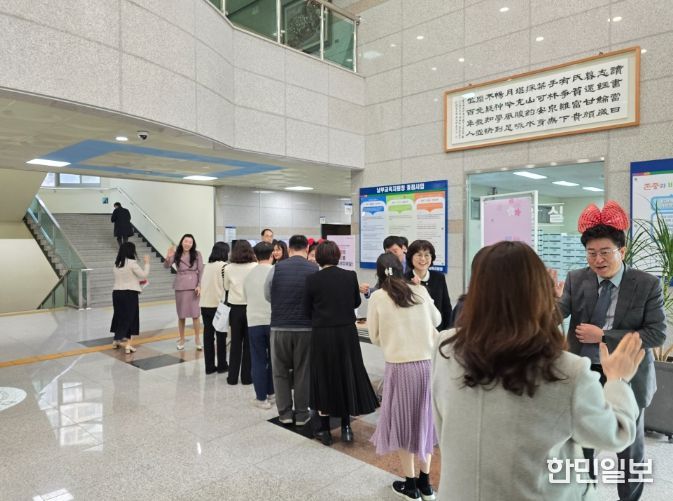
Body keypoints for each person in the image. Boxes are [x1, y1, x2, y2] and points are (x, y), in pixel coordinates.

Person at [433, 241, 644, 501]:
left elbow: (444, 423)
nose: (597, 259)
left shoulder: (446, 348)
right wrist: (617, 380)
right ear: (537, 291)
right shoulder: (567, 370)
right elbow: (615, 435)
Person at [551, 201, 666, 501]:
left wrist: (603, 335)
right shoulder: (577, 278)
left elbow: (657, 333)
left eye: (605, 252)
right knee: (582, 444)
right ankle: (584, 495)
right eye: (591, 253)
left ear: (622, 251)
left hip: (628, 375)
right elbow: (553, 317)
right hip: (585, 373)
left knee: (629, 448)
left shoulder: (646, 284)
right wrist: (547, 299)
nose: (598, 260)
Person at [368, 252, 441, 500]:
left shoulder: (377, 297)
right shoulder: (419, 291)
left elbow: (374, 336)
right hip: (426, 366)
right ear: (402, 269)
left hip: (399, 368)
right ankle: (426, 484)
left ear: (379, 273)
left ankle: (410, 486)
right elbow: (437, 320)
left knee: (402, 426)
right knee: (425, 423)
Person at [304, 241, 378, 445]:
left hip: (322, 335)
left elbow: (306, 309)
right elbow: (356, 302)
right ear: (337, 256)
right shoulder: (349, 276)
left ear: (319, 258)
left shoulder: (312, 279)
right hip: (346, 334)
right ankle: (346, 428)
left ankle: (325, 430)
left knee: (324, 378)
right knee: (346, 375)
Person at [264, 234, 318, 426]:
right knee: (303, 371)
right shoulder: (314, 269)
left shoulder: (276, 268)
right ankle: (302, 414)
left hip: (279, 327)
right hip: (306, 328)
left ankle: (285, 414)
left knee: (279, 371)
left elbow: (267, 294)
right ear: (306, 249)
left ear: (289, 248)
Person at [244, 242, 275, 408]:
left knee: (258, 359)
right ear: (272, 255)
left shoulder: (249, 275)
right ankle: (272, 394)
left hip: (254, 321)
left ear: (255, 256)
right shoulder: (275, 272)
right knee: (273, 359)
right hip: (273, 321)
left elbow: (245, 297)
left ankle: (261, 399)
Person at [223, 240, 257, 385]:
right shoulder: (255, 266)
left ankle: (232, 377)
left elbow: (226, 287)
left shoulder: (228, 268)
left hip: (235, 309)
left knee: (235, 343)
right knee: (249, 344)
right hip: (250, 308)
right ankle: (246, 377)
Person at [164, 234, 204, 351]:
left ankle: (197, 338)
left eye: (190, 242)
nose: (187, 244)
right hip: (180, 286)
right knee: (181, 315)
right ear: (182, 242)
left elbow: (201, 270)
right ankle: (181, 339)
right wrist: (168, 257)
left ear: (193, 244)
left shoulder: (197, 254)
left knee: (195, 315)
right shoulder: (176, 254)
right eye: (186, 241)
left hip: (193, 286)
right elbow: (166, 266)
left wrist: (199, 285)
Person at [111, 242, 150, 354]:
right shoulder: (132, 263)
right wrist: (147, 263)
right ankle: (128, 345)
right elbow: (144, 274)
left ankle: (116, 341)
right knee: (131, 318)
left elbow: (126, 278)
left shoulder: (117, 264)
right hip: (129, 294)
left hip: (116, 293)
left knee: (119, 317)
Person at [405, 239, 452, 331]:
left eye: (427, 255)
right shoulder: (404, 279)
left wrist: (447, 332)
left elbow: (446, 307)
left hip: (437, 332)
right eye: (419, 255)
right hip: (413, 332)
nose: (423, 259)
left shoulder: (439, 277)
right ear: (411, 257)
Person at [200, 241, 230, 375]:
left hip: (205, 305)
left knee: (208, 336)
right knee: (221, 336)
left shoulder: (207, 266)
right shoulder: (224, 266)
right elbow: (227, 286)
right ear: (224, 252)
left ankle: (209, 367)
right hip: (218, 306)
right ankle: (222, 365)